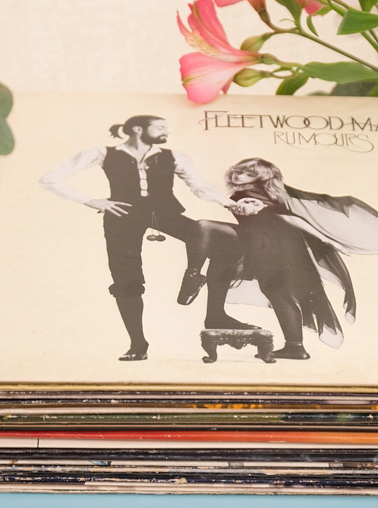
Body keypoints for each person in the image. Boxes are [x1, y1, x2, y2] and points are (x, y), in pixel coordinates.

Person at [39, 115, 254, 361]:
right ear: (139, 129)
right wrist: (91, 201)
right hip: (122, 217)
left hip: (165, 213)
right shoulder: (102, 153)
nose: (166, 132)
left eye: (167, 127)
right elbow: (50, 179)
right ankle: (138, 344)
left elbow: (199, 185)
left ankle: (200, 287)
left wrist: (228, 204)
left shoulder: (174, 156)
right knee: (126, 278)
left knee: (224, 242)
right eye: (161, 127)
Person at [193, 158, 378, 359]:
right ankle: (295, 347)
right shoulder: (260, 194)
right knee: (278, 294)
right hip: (278, 248)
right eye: (237, 170)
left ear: (261, 178)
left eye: (247, 173)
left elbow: (291, 219)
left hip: (271, 248)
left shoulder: (250, 196)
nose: (238, 175)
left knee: (263, 285)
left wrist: (327, 239)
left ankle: (194, 279)